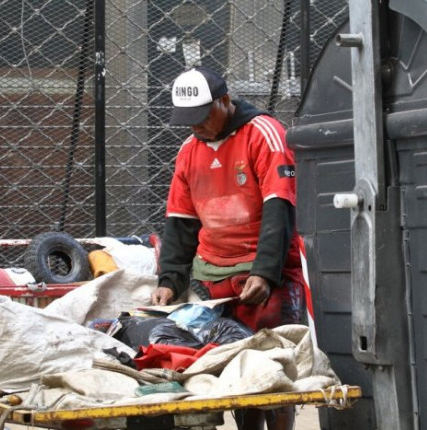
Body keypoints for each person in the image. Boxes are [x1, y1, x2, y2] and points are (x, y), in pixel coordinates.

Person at [151, 66, 305, 430]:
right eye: (188, 121)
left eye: (202, 117)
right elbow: (180, 221)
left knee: (274, 368)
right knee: (233, 374)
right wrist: (169, 280)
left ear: (223, 101)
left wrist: (265, 272)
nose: (196, 127)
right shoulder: (189, 150)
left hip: (264, 270)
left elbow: (279, 205)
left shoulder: (264, 133)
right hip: (213, 277)